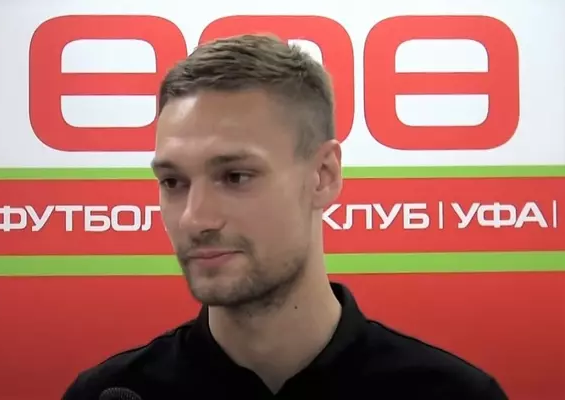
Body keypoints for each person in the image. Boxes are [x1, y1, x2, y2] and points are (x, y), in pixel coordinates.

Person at [62, 34, 508, 400]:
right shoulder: (110, 394)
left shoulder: (451, 395)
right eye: (173, 182)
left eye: (235, 176)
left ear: (323, 176)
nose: (195, 219)